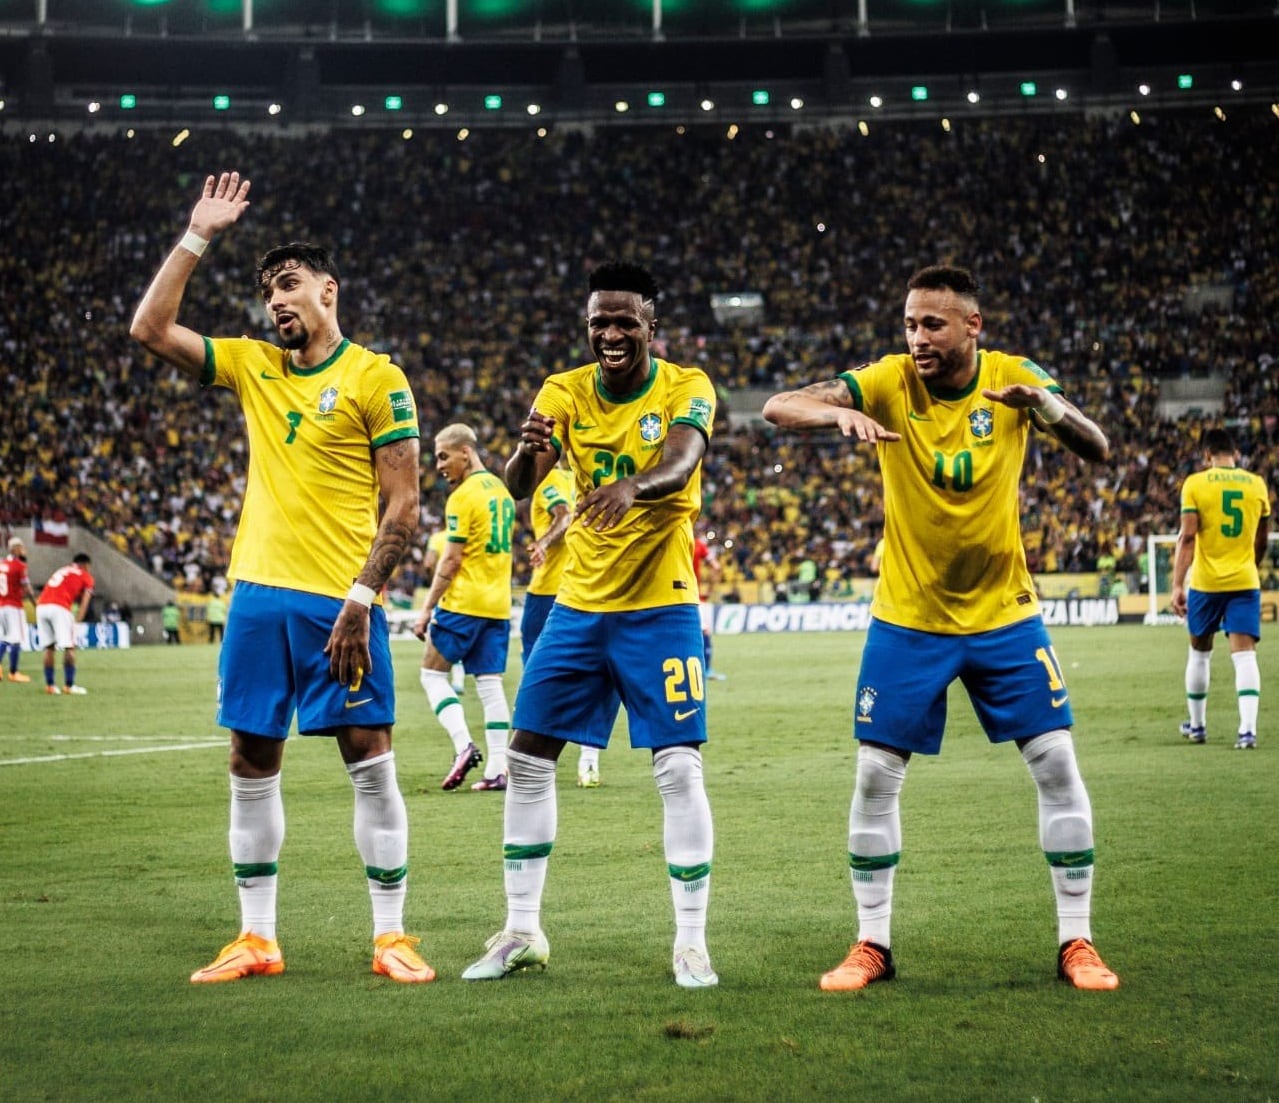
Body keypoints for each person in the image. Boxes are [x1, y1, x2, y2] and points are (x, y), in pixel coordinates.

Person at [762, 264, 1119, 992]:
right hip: (908, 617)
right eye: (908, 323)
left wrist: (1042, 407)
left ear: (971, 327)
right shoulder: (890, 378)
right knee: (872, 774)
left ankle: (1076, 940)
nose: (916, 337)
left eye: (931, 323)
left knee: (1055, 764)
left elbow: (1097, 445)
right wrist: (835, 413)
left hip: (1004, 615)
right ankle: (872, 943)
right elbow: (776, 406)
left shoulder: (1013, 376)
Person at [129, 170, 433, 985]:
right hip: (259, 593)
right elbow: (150, 328)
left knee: (369, 755)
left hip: (342, 599)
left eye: (289, 284)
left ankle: (392, 936)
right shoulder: (255, 366)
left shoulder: (376, 377)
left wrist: (361, 602)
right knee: (249, 759)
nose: (276, 301)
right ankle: (257, 937)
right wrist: (199, 234)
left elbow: (403, 508)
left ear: (329, 291)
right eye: (268, 291)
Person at [462, 260, 720, 989]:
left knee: (676, 765)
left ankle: (691, 942)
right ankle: (521, 931)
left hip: (661, 603)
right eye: (598, 322)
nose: (609, 333)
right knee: (528, 755)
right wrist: (522, 450)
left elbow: (682, 459)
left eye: (623, 320)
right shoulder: (562, 390)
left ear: (649, 325)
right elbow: (516, 486)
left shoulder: (684, 385)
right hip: (576, 603)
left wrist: (631, 485)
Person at [413, 423, 515, 792]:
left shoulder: (463, 496)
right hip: (498, 605)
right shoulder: (502, 491)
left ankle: (462, 745)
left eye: (443, 455)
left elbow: (451, 560)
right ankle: (498, 769)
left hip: (463, 603)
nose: (439, 464)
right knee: (490, 686)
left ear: (465, 453)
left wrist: (426, 609)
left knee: (432, 675)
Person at [1170, 428, 1272, 750]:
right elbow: (1262, 537)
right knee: (1244, 657)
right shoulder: (1256, 484)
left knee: (1200, 653)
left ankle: (1198, 726)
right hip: (1244, 580)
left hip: (1206, 582)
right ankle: (1247, 731)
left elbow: (1187, 538)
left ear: (1206, 455)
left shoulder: (1195, 484)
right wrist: (1250, 565)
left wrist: (1176, 584)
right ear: (1236, 454)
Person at [521, 455, 606, 787]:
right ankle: (588, 760)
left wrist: (542, 541)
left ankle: (531, 761)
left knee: (538, 676)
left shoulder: (550, 483)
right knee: (591, 674)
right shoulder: (579, 479)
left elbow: (563, 514)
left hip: (549, 590)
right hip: (585, 586)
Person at [35, 553, 94, 696]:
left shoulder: (62, 570)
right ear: (86, 565)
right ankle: (69, 686)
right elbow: (85, 601)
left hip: (41, 606)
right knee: (69, 647)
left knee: (49, 648)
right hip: (59, 608)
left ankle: (50, 686)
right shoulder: (86, 575)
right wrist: (78, 621)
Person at [422, 527, 466, 694]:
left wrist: (432, 577)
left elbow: (428, 563)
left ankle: (446, 676)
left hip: (443, 591)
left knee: (437, 633)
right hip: (465, 591)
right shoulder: (468, 535)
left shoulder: (437, 538)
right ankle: (457, 678)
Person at [0, 536, 36, 682]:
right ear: (15, 549)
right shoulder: (20, 566)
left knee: (4, 638)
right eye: (21, 547)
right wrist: (35, 604)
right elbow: (27, 588)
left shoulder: (1, 564)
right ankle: (14, 673)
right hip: (14, 606)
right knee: (16, 639)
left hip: (1, 606)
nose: (23, 550)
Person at [693, 528, 727, 681]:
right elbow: (716, 567)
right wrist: (710, 589)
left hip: (669, 595)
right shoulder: (698, 545)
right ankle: (706, 670)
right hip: (693, 595)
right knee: (704, 631)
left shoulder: (672, 540)